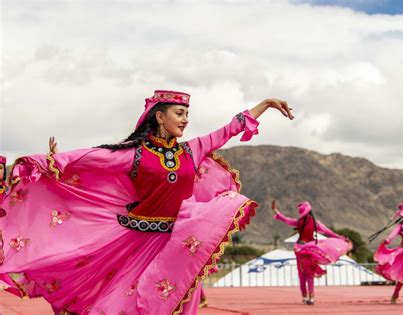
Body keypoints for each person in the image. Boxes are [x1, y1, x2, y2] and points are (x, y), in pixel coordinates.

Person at [0, 90, 294, 314]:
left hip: (180, 242)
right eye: (179, 113)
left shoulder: (191, 150)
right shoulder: (134, 154)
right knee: (124, 304)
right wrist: (44, 162)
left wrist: (265, 104)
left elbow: (228, 130)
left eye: (186, 114)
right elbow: (87, 159)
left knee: (180, 299)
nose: (185, 119)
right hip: (137, 243)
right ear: (159, 116)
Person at [271, 200, 352, 305]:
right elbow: (328, 232)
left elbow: (286, 219)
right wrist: (340, 237)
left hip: (300, 248)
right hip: (310, 249)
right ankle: (311, 298)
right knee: (309, 274)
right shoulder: (314, 222)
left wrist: (275, 210)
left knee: (302, 274)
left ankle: (304, 297)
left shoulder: (298, 222)